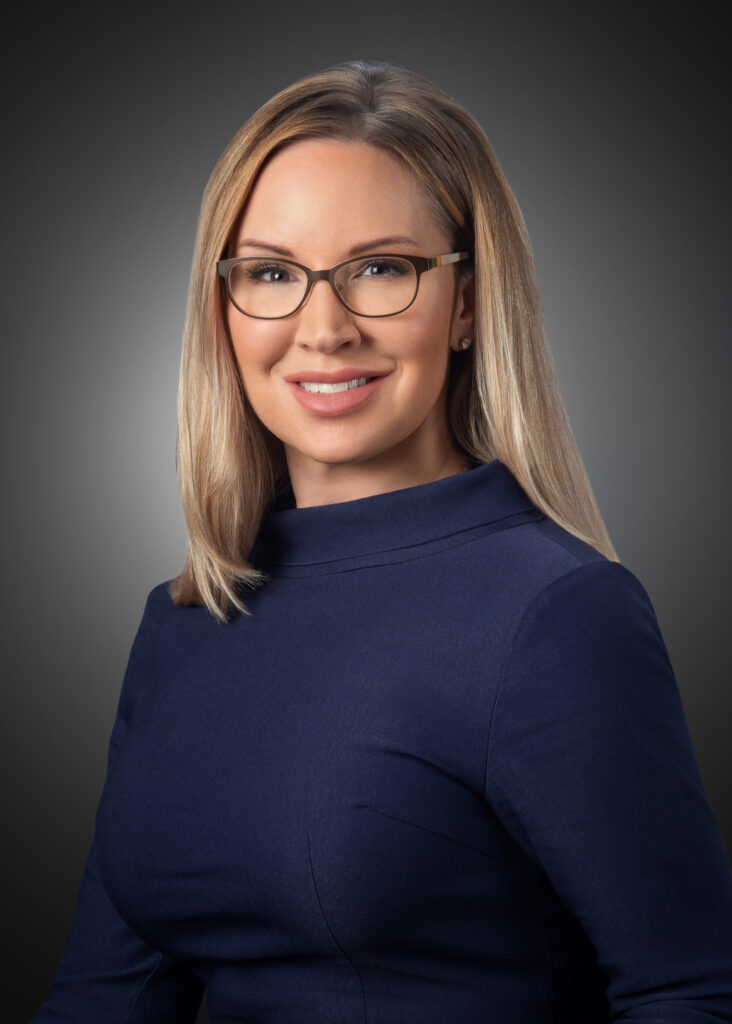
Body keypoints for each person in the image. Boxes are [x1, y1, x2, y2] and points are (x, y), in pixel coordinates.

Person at [32, 60, 732, 1024]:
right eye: (272, 273)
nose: (323, 328)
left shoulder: (559, 615)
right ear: (224, 307)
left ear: (471, 304)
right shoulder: (187, 620)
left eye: (380, 270)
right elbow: (102, 999)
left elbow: (689, 994)